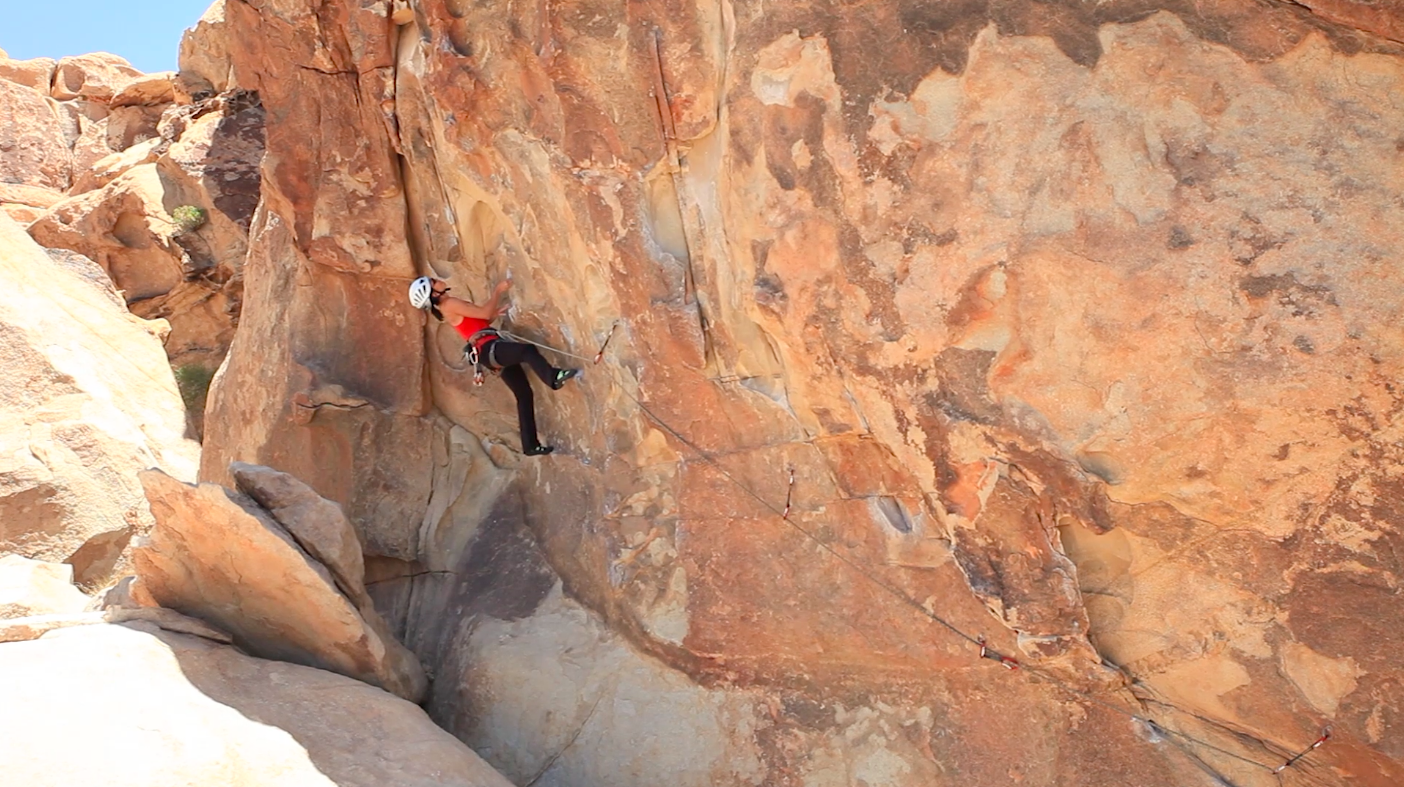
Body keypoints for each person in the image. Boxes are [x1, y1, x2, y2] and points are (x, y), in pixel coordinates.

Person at [409, 275, 578, 456]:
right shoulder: (448, 303)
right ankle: (552, 377)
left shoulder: (446, 308)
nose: (436, 280)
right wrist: (498, 291)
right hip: (488, 348)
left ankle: (530, 446)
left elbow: (476, 323)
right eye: (433, 282)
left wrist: (491, 316)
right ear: (433, 294)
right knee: (527, 351)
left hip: (487, 352)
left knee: (523, 394)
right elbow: (484, 313)